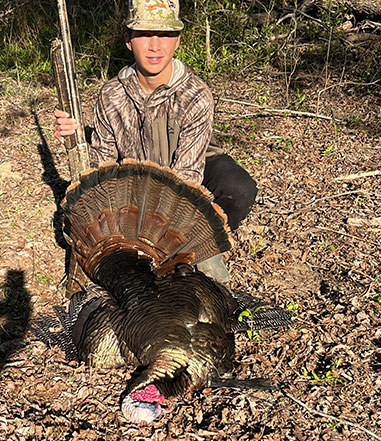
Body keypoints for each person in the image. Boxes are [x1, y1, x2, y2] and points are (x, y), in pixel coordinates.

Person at [53, 0, 258, 283]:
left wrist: (161, 243)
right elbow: (104, 165)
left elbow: (188, 176)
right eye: (144, 34)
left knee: (238, 189)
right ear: (128, 40)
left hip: (189, 174)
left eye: (165, 35)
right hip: (135, 181)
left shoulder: (195, 95)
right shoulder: (111, 95)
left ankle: (203, 247)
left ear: (177, 42)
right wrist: (76, 137)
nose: (154, 46)